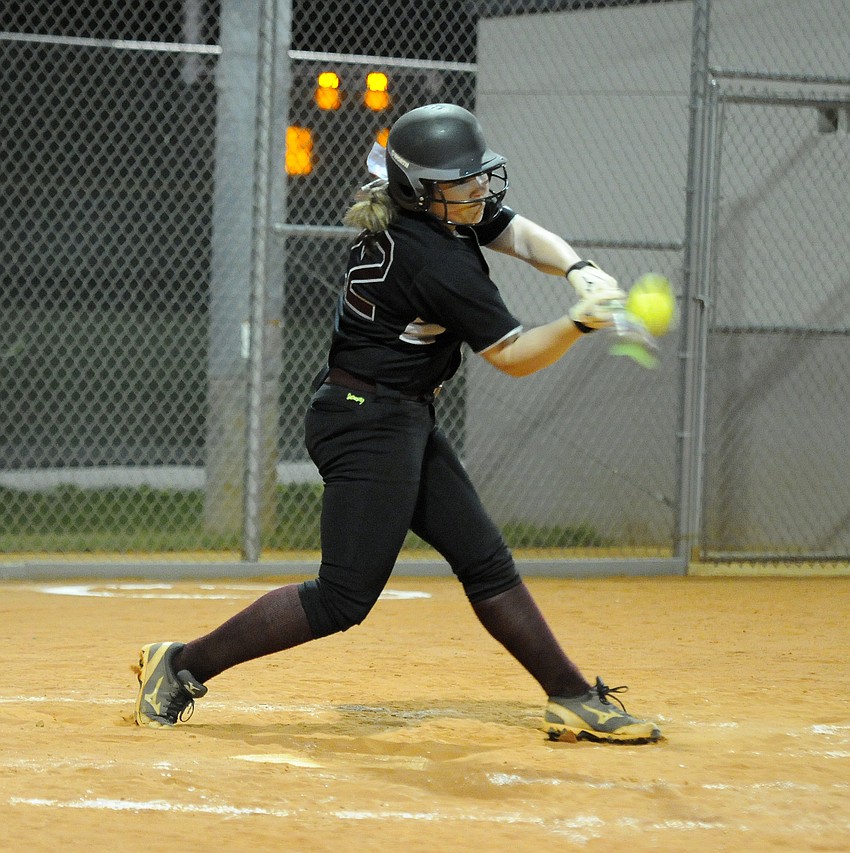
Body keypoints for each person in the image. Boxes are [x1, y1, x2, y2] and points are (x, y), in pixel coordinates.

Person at [134, 103, 661, 745]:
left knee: (485, 561)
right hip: (366, 422)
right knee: (341, 599)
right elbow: (514, 357)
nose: (476, 191)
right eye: (458, 183)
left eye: (476, 176)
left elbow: (518, 233)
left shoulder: (430, 212)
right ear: (420, 190)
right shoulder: (436, 258)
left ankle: (572, 697)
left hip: (397, 412)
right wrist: (581, 323)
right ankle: (180, 664)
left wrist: (577, 269)